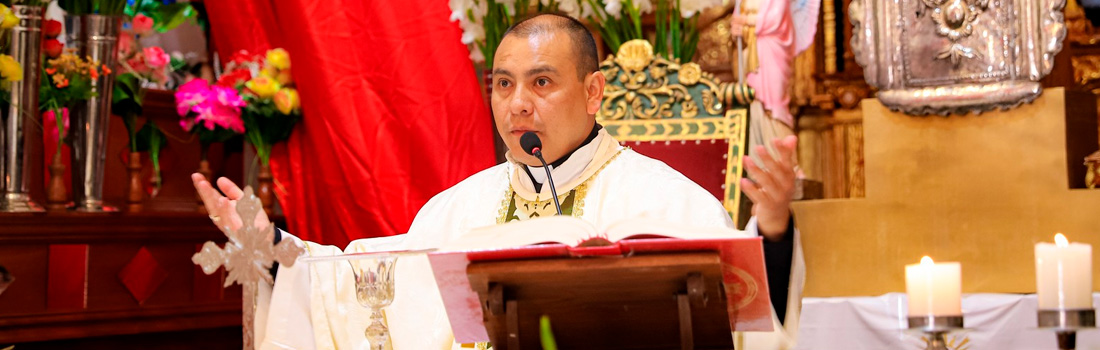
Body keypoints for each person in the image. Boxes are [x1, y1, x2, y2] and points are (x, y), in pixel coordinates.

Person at [195, 13, 803, 350]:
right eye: (503, 84)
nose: (517, 104)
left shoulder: (667, 201)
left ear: (593, 93)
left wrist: (772, 231)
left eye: (541, 82)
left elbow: (747, 329)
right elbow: (354, 298)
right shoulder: (454, 212)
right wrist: (270, 247)